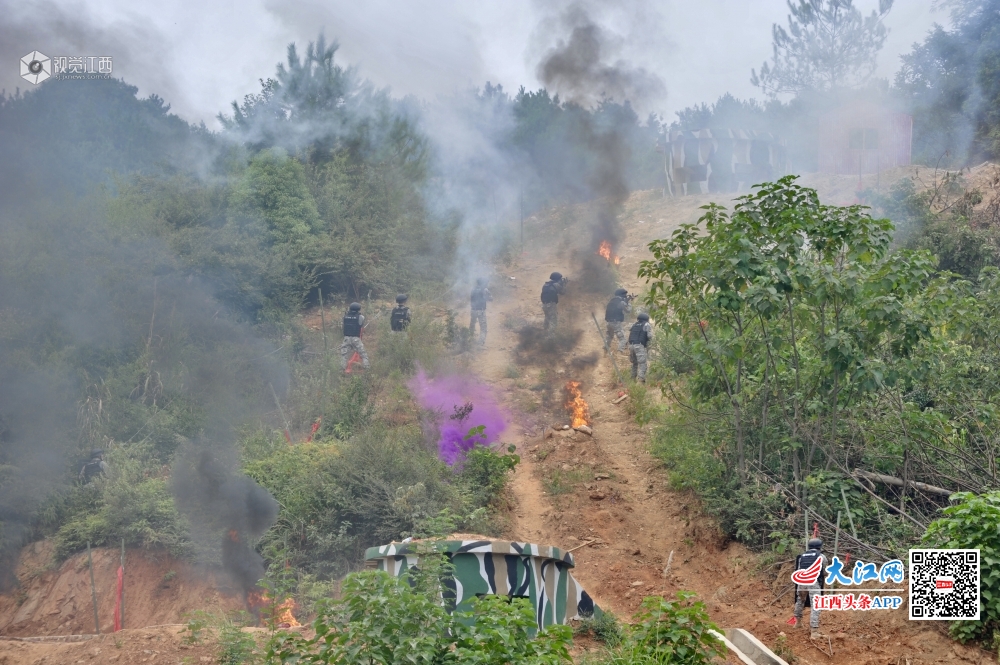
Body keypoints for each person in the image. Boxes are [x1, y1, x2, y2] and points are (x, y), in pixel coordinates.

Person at [793, 538, 826, 638]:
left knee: (800, 601)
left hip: (802, 581)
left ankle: (797, 623)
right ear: (819, 546)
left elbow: (798, 569)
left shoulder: (802, 556)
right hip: (813, 582)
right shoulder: (821, 556)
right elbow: (823, 570)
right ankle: (814, 632)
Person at [340, 302, 370, 371]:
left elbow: (343, 326)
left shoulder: (345, 316)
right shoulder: (360, 317)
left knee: (344, 356)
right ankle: (367, 369)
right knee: (363, 355)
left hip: (346, 338)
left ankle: (341, 371)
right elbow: (361, 324)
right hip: (356, 339)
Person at [628, 312, 653, 382]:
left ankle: (632, 379)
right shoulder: (646, 324)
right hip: (639, 346)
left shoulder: (634, 324)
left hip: (631, 345)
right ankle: (641, 381)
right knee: (642, 364)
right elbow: (649, 336)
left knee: (634, 363)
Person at [469, 278, 493, 345]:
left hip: (473, 310)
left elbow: (471, 298)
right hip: (481, 311)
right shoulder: (485, 290)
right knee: (483, 328)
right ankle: (480, 343)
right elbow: (491, 299)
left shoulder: (473, 289)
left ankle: (469, 340)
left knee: (472, 326)